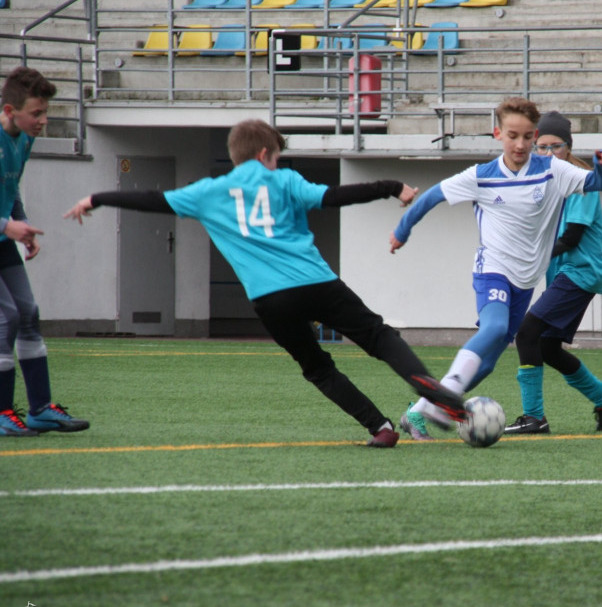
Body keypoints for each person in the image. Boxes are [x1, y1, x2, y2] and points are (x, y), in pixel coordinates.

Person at [64, 118, 465, 448]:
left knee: (318, 368)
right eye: (276, 158)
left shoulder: (208, 192)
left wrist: (98, 198)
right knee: (378, 337)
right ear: (263, 154)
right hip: (316, 282)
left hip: (269, 300)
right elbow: (335, 196)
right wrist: (391, 187)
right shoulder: (285, 181)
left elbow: (153, 200)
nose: (277, 164)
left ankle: (378, 428)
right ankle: (431, 390)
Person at [389, 97, 602, 441]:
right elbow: (433, 195)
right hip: (492, 269)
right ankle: (442, 400)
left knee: (489, 362)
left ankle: (418, 412)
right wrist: (402, 231)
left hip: (525, 282)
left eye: (527, 137)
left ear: (534, 135)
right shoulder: (481, 176)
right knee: (494, 328)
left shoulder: (553, 170)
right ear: (498, 134)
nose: (520, 144)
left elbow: (598, 184)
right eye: (512, 136)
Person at [505, 111, 602, 435]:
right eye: (540, 147)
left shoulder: (580, 178)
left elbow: (571, 237)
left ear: (568, 147)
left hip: (580, 271)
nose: (547, 153)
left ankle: (534, 418)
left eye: (554, 146)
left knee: (527, 332)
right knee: (546, 348)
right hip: (565, 272)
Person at [0, 67, 89, 437]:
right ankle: (3, 412)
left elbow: (11, 188)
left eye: (44, 112)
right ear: (9, 110)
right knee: (6, 317)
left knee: (29, 313)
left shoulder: (23, 139)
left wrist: (22, 227)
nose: (43, 120)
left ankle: (39, 410)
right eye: (36, 113)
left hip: (3, 239)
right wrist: (8, 227)